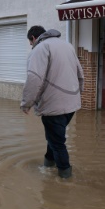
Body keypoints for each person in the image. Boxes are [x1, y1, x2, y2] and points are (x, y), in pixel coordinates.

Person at [21, 25, 84, 179]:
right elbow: (80, 74)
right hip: (71, 104)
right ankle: (47, 164)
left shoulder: (40, 48)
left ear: (34, 38)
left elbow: (34, 78)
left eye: (31, 43)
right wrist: (76, 96)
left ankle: (65, 178)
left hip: (53, 105)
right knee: (54, 137)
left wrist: (26, 103)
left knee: (57, 142)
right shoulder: (67, 46)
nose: (31, 46)